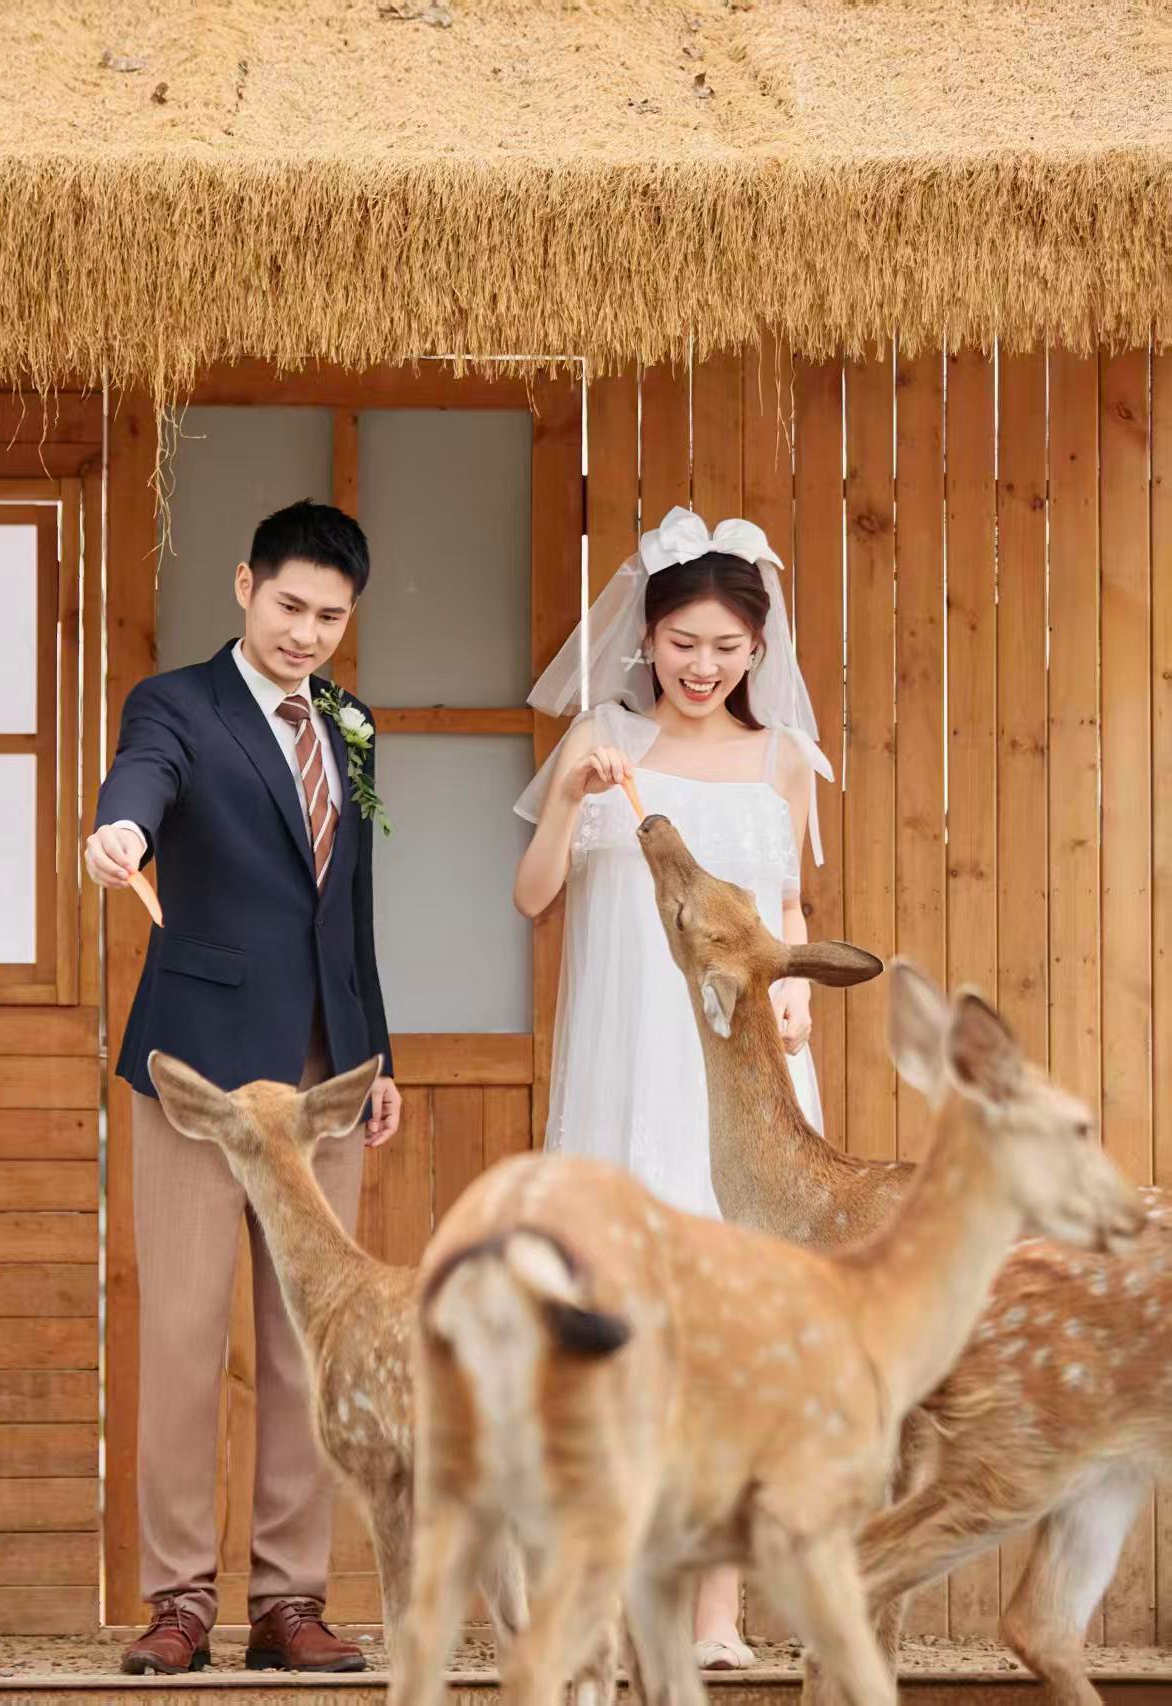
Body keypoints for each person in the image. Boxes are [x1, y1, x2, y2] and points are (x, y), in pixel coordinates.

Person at [85, 500, 401, 1676]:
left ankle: (288, 1600)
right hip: (199, 1074)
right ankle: (177, 1598)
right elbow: (142, 779)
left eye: (329, 616)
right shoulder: (177, 704)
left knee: (307, 1343)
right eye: (289, 606)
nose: (305, 633)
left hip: (324, 1080)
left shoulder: (352, 725)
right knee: (179, 1331)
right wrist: (120, 833)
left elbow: (351, 910)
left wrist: (378, 1058)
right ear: (243, 586)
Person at [513, 506, 831, 1670]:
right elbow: (533, 895)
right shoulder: (601, 736)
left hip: (738, 1066)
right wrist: (567, 795)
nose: (701, 666)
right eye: (681, 642)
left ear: (757, 649)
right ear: (644, 637)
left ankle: (715, 1615)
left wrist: (796, 993)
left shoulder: (784, 758)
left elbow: (787, 908)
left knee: (730, 1329)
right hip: (624, 1050)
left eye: (725, 648)